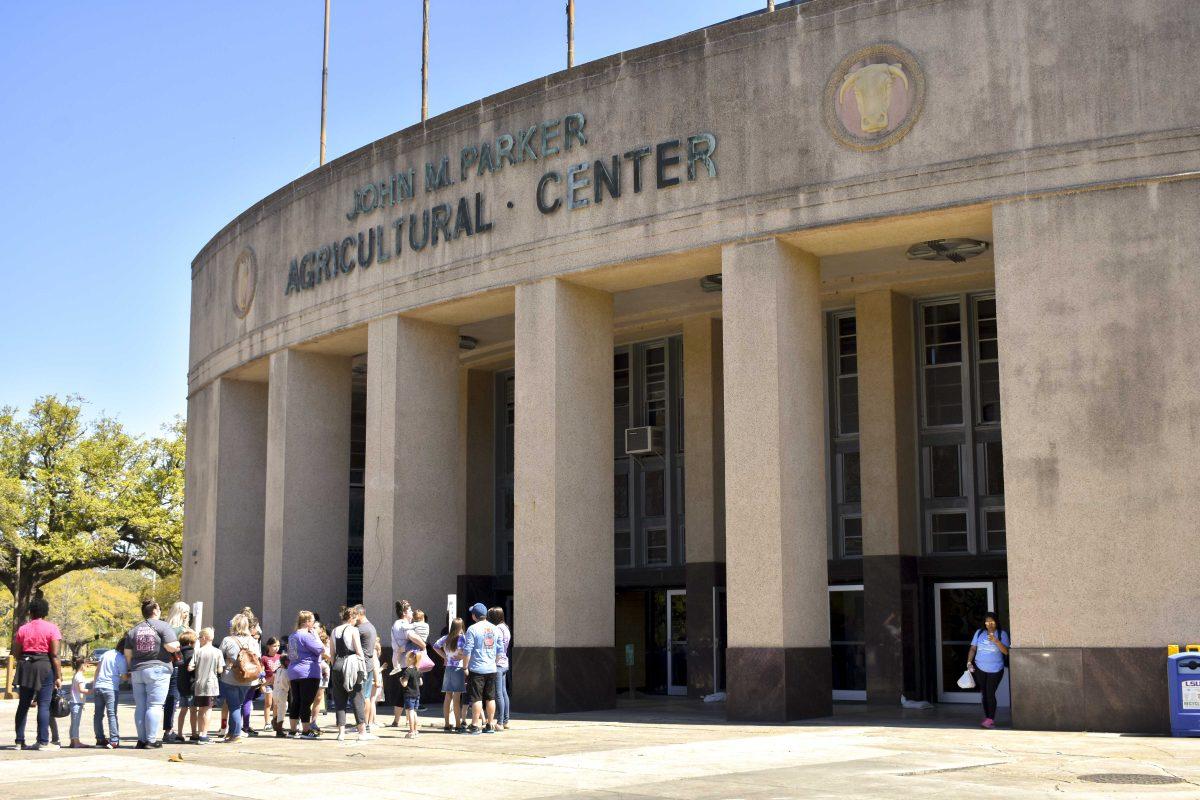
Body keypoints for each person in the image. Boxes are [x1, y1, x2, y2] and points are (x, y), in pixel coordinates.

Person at [123, 599, 180, 749]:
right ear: (155, 610)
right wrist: (177, 645)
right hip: (158, 669)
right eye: (159, 608)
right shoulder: (163, 626)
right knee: (154, 705)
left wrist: (130, 669)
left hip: (137, 670)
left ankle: (141, 740)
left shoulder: (133, 630)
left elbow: (127, 654)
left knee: (140, 706)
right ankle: (151, 740)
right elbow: (170, 646)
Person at [12, 596, 63, 751]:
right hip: (44, 666)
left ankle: (19, 741)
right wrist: (58, 676)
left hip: (26, 666)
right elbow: (54, 654)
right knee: (44, 704)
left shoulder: (23, 629)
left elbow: (16, 652)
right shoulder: (51, 628)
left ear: (31, 612)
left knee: (23, 705)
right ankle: (42, 741)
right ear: (45, 612)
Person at [330, 606, 374, 742]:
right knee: (357, 697)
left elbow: (332, 654)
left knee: (340, 700)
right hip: (351, 664)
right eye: (355, 619)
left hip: (337, 665)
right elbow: (359, 651)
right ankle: (361, 732)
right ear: (352, 618)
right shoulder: (353, 630)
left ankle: (341, 733)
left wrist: (335, 666)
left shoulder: (334, 631)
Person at [218, 613, 262, 743]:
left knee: (234, 706)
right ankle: (232, 732)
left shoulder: (228, 640)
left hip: (230, 676)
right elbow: (257, 657)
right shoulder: (253, 641)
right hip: (248, 677)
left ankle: (236, 734)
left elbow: (220, 656)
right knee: (238, 704)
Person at [462, 602, 502, 735]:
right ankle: (490, 724)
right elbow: (500, 651)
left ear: (474, 616)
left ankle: (474, 725)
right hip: (491, 668)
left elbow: (467, 650)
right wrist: (494, 663)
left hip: (477, 668)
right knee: (490, 698)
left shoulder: (472, 629)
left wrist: (465, 666)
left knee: (476, 698)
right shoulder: (495, 629)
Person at [967, 611, 1010, 729]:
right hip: (980, 667)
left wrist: (996, 641)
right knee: (984, 693)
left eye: (991, 621)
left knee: (990, 692)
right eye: (987, 622)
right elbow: (973, 648)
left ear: (996, 622)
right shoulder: (979, 633)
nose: (989, 624)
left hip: (996, 669)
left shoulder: (1002, 634)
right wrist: (969, 662)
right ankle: (987, 717)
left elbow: (1006, 652)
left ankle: (990, 719)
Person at [286, 611, 325, 738]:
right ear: (307, 622)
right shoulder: (307, 636)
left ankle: (292, 730)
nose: (313, 623)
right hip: (308, 671)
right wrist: (316, 636)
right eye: (312, 621)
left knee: (296, 701)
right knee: (306, 702)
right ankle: (306, 730)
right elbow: (321, 649)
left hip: (294, 670)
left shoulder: (292, 636)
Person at [188, 627, 224, 745]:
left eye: (199, 637)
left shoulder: (198, 652)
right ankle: (204, 735)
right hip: (211, 684)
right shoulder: (217, 652)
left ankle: (200, 733)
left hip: (199, 684)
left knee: (200, 709)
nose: (199, 640)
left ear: (204, 638)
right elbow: (220, 670)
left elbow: (190, 667)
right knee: (208, 710)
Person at [162, 601, 190, 743]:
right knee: (173, 698)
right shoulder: (180, 629)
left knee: (170, 699)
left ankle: (169, 729)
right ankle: (169, 730)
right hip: (178, 665)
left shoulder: (166, 627)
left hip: (168, 665)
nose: (187, 615)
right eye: (185, 612)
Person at [433, 617, 466, 732]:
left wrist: (445, 656)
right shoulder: (462, 638)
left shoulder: (446, 638)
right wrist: (461, 657)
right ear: (461, 627)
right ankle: (458, 724)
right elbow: (464, 652)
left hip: (448, 668)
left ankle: (447, 723)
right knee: (457, 698)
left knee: (448, 696)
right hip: (458, 669)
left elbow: (435, 646)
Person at [92, 641, 126, 748]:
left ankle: (99, 738)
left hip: (99, 685)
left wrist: (94, 684)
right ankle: (114, 739)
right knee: (111, 714)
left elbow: (97, 670)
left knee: (98, 714)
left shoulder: (106, 654)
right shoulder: (120, 658)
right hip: (110, 688)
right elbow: (124, 676)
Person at [353, 605, 381, 732]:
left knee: (362, 696)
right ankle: (366, 724)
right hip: (368, 664)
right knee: (367, 696)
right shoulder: (371, 627)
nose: (353, 617)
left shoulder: (360, 629)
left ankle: (362, 724)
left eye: (354, 615)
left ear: (360, 614)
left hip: (361, 665)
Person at [488, 606, 512, 731]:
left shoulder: (497, 629)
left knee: (498, 693)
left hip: (497, 663)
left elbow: (494, 645)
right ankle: (506, 720)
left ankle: (500, 722)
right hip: (505, 662)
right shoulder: (506, 628)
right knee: (503, 692)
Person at [175, 628, 198, 742]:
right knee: (193, 710)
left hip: (181, 684)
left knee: (183, 709)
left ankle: (179, 733)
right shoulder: (193, 653)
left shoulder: (178, 654)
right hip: (191, 684)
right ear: (190, 643)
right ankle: (194, 733)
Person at [68, 655, 90, 748]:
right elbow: (81, 690)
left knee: (73, 723)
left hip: (74, 702)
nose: (87, 667)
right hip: (77, 703)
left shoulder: (76, 675)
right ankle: (76, 741)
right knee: (76, 723)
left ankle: (73, 741)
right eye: (86, 665)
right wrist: (92, 691)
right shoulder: (80, 676)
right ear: (82, 665)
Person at [399, 650, 422, 739]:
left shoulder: (407, 671)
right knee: (414, 712)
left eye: (406, 657)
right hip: (417, 694)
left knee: (410, 712)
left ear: (411, 659)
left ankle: (411, 731)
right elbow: (421, 683)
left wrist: (401, 679)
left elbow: (404, 684)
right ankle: (415, 730)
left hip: (409, 694)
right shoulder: (418, 670)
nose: (405, 659)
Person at [260, 637, 281, 732]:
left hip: (278, 684)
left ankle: (275, 721)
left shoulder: (280, 657)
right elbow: (261, 672)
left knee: (276, 704)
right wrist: (262, 684)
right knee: (268, 703)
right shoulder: (264, 658)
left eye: (278, 646)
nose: (276, 648)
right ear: (268, 646)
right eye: (274, 646)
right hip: (268, 684)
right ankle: (267, 723)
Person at [272, 653, 291, 736]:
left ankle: (275, 721)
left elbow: (272, 680)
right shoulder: (288, 672)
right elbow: (290, 684)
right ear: (286, 662)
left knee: (280, 707)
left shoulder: (278, 670)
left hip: (275, 692)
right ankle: (279, 730)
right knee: (282, 711)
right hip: (282, 692)